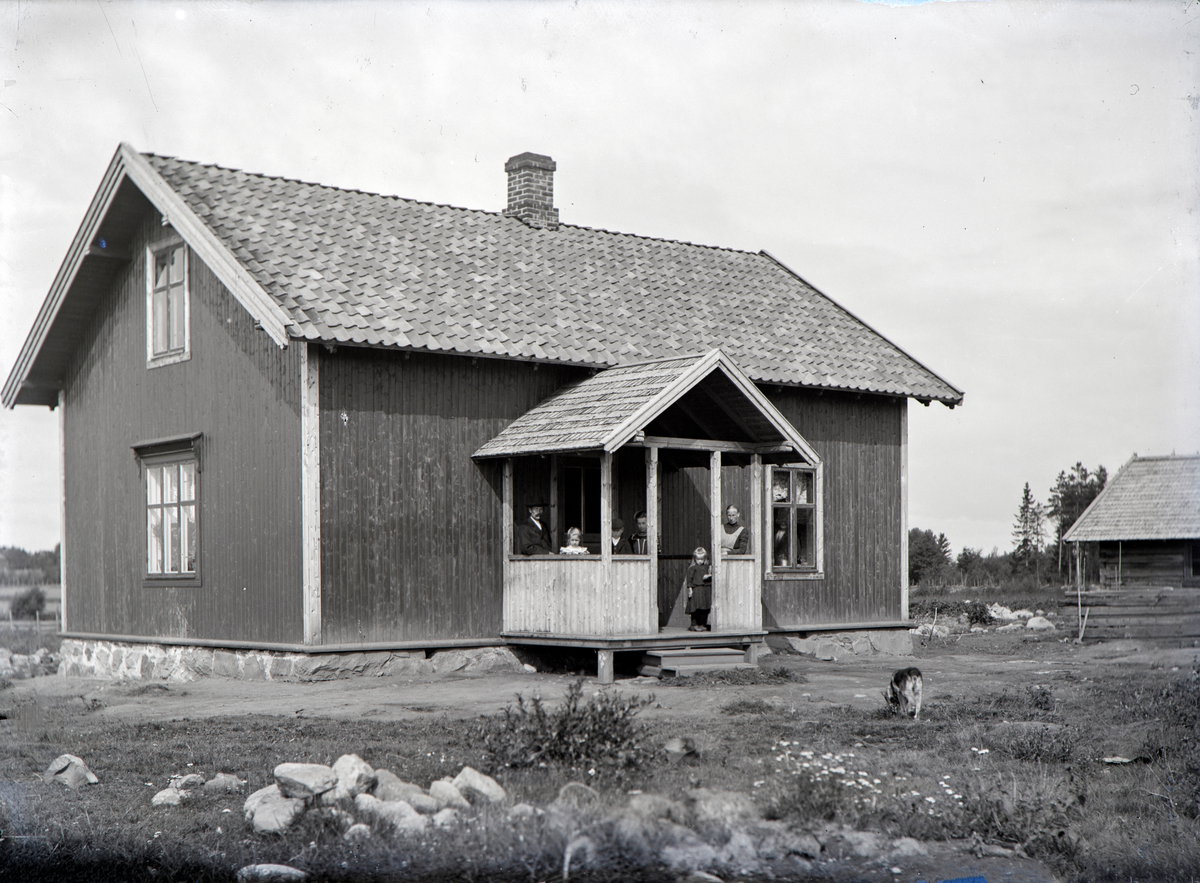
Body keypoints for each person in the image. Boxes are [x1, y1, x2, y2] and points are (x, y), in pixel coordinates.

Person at [684, 546, 712, 631]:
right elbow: (689, 579)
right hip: (697, 589)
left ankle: (702, 624)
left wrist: (709, 576)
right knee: (695, 608)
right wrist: (690, 589)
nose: (700, 561)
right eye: (698, 559)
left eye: (702, 559)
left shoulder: (707, 567)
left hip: (706, 589)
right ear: (695, 559)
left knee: (705, 608)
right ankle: (694, 624)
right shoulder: (692, 568)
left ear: (705, 559)